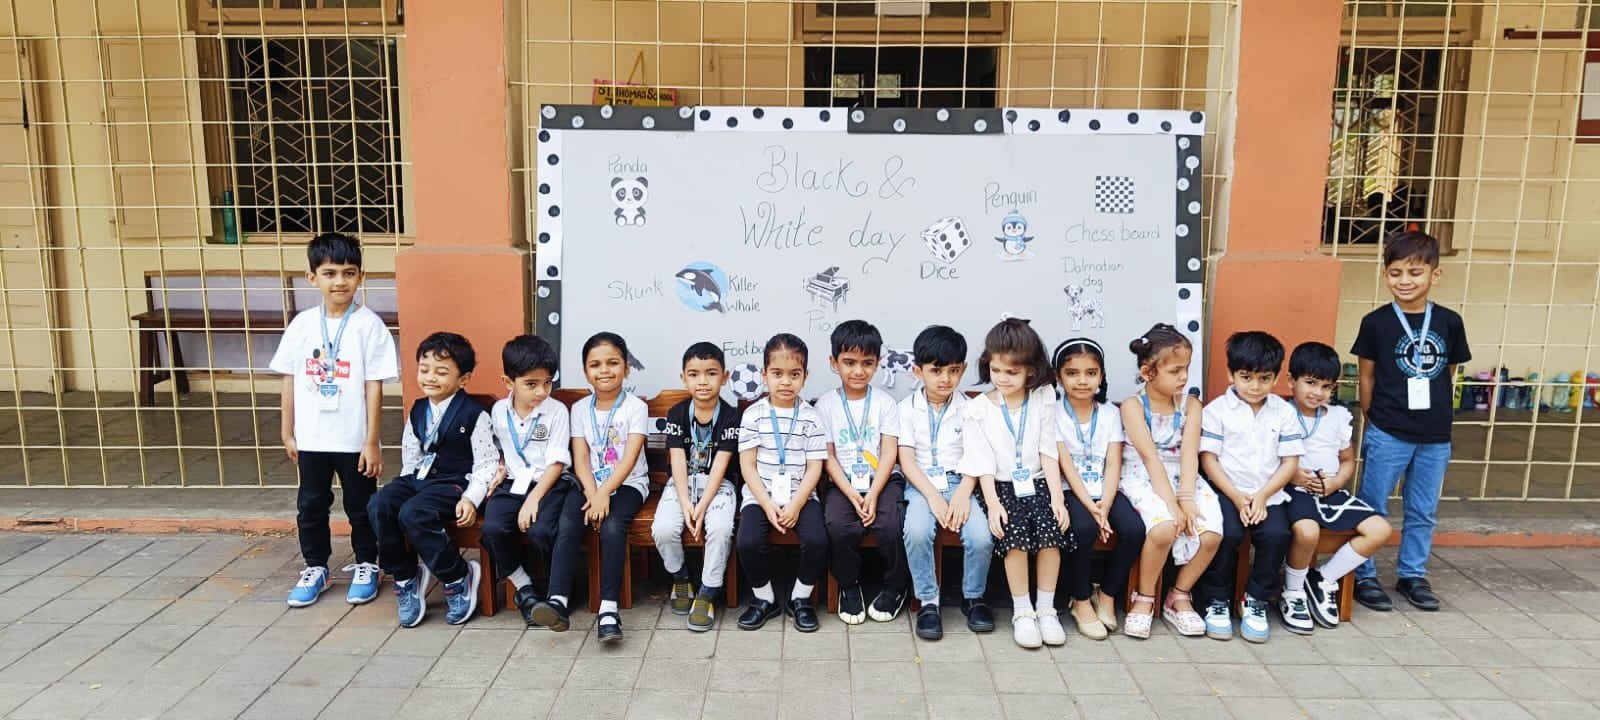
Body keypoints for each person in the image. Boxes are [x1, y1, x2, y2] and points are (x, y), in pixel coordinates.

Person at [271, 232, 398, 608]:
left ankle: (368, 564)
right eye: (329, 273)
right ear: (312, 278)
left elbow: (374, 386)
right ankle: (315, 566)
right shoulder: (302, 325)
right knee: (311, 505)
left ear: (361, 277)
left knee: (361, 506)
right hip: (312, 438)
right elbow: (289, 380)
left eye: (348, 272)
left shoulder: (369, 326)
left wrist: (371, 440)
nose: (340, 281)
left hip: (353, 438)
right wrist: (287, 431)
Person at [1350, 230, 1470, 612]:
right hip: (1388, 432)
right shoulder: (1375, 323)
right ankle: (1363, 574)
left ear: (1435, 275)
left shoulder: (1449, 322)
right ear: (1385, 275)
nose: (1404, 281)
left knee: (1422, 510)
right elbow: (1366, 376)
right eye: (1396, 272)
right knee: (1372, 505)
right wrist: (1374, 420)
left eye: (1415, 272)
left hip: (1435, 435)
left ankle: (1412, 574)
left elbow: (1448, 372)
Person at [368, 332, 497, 627]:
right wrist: (403, 489)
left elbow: (487, 463)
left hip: (455, 483)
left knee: (414, 513)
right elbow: (411, 457)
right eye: (424, 369)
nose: (430, 377)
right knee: (380, 504)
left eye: (441, 372)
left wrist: (471, 498)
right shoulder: (418, 410)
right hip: (420, 479)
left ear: (463, 379)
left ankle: (457, 576)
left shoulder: (474, 414)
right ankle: (405, 576)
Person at [961, 318, 1071, 649]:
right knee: (1015, 538)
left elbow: (1048, 449)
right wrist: (993, 503)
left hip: (1038, 482)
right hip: (1001, 486)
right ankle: (1022, 612)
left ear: (1030, 370)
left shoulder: (1043, 397)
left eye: (1012, 372)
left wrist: (1057, 498)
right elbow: (982, 463)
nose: (1002, 378)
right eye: (996, 370)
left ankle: (1046, 609)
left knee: (1052, 533)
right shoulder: (978, 408)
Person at [1117, 323, 1222, 640]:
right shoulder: (1133, 406)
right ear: (1148, 372)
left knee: (1211, 533)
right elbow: (1150, 458)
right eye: (1175, 370)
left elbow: (1190, 453)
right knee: (1164, 527)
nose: (1183, 377)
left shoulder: (1191, 405)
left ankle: (1179, 595)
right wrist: (1172, 505)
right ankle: (1144, 596)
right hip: (1143, 477)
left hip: (1184, 478)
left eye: (1186, 368)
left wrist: (1186, 498)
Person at [1199, 331, 1305, 642]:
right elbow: (1209, 459)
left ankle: (1255, 599)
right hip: (1225, 491)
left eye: (1264, 378)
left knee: (1277, 534)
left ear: (1277, 378)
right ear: (1231, 374)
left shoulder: (1284, 412)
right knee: (1227, 534)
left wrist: (1262, 496)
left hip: (1268, 494)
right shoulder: (1216, 411)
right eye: (1246, 377)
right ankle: (1216, 599)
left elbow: (1289, 462)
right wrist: (1235, 496)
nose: (1255, 386)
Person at [1281, 341, 1393, 628]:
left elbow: (1347, 459)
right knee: (1307, 532)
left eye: (1326, 386)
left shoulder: (1339, 417)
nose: (1318, 392)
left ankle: (1323, 579)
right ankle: (1293, 590)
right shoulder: (1279, 412)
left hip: (1330, 492)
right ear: (1291, 381)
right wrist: (1293, 475)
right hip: (1292, 490)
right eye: (1310, 383)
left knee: (1380, 529)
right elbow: (1264, 457)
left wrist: (1337, 482)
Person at [479, 335, 584, 631]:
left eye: (547, 382)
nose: (541, 391)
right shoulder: (499, 411)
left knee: (541, 531)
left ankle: (555, 593)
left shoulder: (556, 411)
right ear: (508, 382)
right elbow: (500, 446)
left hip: (549, 483)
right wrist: (501, 465)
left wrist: (534, 499)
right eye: (531, 384)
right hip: (513, 483)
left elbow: (557, 462)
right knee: (492, 529)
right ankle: (524, 589)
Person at [898, 325, 995, 641]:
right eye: (936, 370)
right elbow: (907, 460)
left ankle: (974, 597)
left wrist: (963, 493)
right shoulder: (905, 409)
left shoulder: (971, 409)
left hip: (960, 481)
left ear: (963, 369)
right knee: (916, 531)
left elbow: (976, 457)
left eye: (954, 370)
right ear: (918, 371)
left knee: (981, 536)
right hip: (920, 484)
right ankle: (928, 601)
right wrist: (933, 497)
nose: (945, 379)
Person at [815, 320, 909, 624]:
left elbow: (889, 452)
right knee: (838, 525)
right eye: (849, 362)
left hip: (883, 480)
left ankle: (895, 586)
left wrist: (874, 493)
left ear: (878, 363)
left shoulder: (885, 403)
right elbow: (828, 456)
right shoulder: (825, 405)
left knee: (891, 525)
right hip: (843, 483)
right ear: (834, 363)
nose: (858, 371)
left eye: (867, 363)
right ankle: (849, 584)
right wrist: (853, 493)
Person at [1051, 337, 1144, 640]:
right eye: (1072, 373)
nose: (1082, 381)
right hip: (1070, 489)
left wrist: (1104, 503)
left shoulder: (1110, 413)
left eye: (1091, 373)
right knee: (1083, 528)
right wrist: (1092, 509)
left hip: (1105, 489)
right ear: (1058, 377)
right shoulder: (1052, 412)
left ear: (1101, 376)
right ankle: (1079, 600)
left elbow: (1114, 462)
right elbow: (1065, 464)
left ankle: (1107, 594)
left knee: (1133, 529)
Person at [735, 333, 828, 632]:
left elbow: (815, 467)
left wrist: (797, 504)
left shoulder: (812, 417)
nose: (785, 382)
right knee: (747, 541)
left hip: (801, 496)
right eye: (777, 374)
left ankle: (801, 597)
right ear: (764, 375)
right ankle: (765, 599)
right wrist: (766, 503)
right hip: (760, 496)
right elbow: (747, 465)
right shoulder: (753, 414)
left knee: (817, 540)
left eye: (794, 374)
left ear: (805, 376)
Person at [652, 342, 741, 632]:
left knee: (720, 529)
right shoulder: (677, 413)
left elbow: (721, 464)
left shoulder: (731, 416)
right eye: (694, 374)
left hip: (719, 485)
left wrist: (701, 507)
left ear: (724, 377)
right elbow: (677, 460)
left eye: (711, 373)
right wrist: (685, 501)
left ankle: (707, 592)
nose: (702, 381)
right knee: (663, 528)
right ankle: (680, 577)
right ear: (683, 378)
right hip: (681, 484)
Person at [571, 332, 651, 643]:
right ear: (585, 371)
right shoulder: (579, 409)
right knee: (569, 520)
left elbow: (629, 458)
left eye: (613, 363)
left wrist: (605, 493)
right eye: (595, 365)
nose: (604, 370)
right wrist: (593, 494)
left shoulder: (635, 407)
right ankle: (558, 596)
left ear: (627, 368)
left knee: (613, 525)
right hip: (592, 485)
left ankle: (608, 608)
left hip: (629, 483)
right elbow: (580, 457)